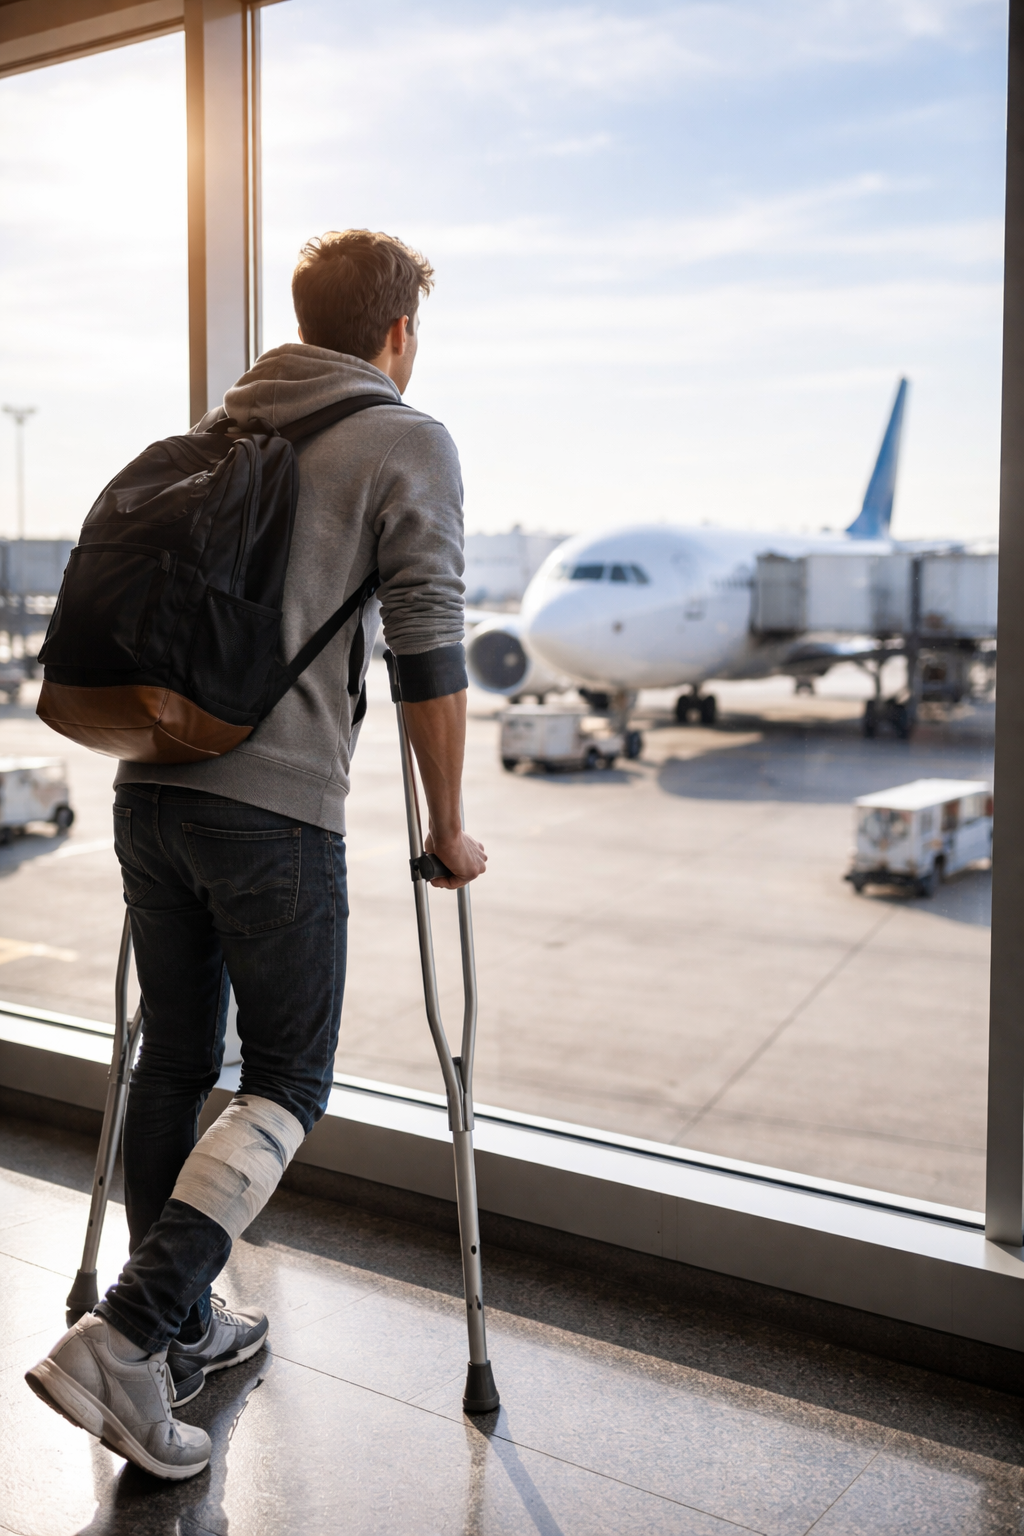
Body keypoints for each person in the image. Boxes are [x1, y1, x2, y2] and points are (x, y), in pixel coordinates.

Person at [26, 229, 486, 1480]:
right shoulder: (405, 437)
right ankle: (126, 1336)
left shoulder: (224, 433)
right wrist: (448, 828)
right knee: (286, 1078)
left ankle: (177, 1329)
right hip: (272, 813)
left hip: (149, 792)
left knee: (177, 1057)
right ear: (398, 334)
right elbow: (429, 646)